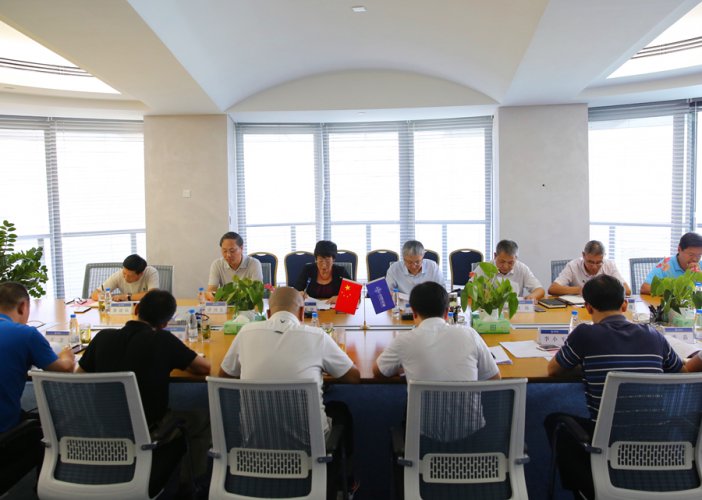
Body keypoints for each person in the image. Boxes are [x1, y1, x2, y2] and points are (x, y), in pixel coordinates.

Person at [545, 275, 683, 499]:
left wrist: (589, 366)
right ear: (625, 305)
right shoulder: (653, 335)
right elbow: (678, 369)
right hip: (658, 440)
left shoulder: (584, 334)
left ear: (588, 307)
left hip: (608, 439)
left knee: (555, 422)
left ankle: (587, 490)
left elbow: (553, 370)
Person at [218, 287, 360, 499]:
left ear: (268, 314)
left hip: (254, 441)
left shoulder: (245, 333)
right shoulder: (317, 337)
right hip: (309, 445)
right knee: (340, 411)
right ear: (302, 313)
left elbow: (224, 376)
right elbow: (354, 377)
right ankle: (342, 483)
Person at [78, 290, 211, 484]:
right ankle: (190, 485)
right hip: (150, 428)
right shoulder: (163, 340)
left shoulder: (102, 337)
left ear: (136, 309)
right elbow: (204, 367)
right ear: (165, 324)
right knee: (202, 418)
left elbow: (79, 376)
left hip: (104, 425)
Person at [0, 282, 75, 483]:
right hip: (4, 432)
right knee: (49, 425)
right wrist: (67, 355)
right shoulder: (26, 334)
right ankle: (44, 486)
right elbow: (64, 369)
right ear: (23, 306)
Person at [548, 240, 631, 296]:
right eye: (590, 262)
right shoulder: (573, 266)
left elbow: (627, 290)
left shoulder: (609, 265)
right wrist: (580, 290)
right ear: (583, 255)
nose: (594, 267)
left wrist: (603, 290)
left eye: (599, 262)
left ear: (604, 256)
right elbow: (552, 289)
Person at [472, 239, 545, 300]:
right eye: (502, 261)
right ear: (495, 256)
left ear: (516, 258)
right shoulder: (484, 267)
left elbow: (540, 290)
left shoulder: (522, 268)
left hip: (514, 310)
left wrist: (532, 297)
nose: (506, 266)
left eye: (510, 262)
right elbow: (470, 289)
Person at [207, 231, 263, 300]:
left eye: (232, 251)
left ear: (241, 248)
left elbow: (257, 292)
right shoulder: (217, 264)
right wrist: (212, 296)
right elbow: (211, 290)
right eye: (224, 251)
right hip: (226, 304)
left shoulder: (254, 264)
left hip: (247, 304)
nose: (228, 255)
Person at [90, 253, 160, 302]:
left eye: (129, 276)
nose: (125, 278)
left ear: (140, 274)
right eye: (124, 273)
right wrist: (108, 297)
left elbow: (153, 295)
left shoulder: (150, 272)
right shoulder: (118, 275)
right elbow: (95, 294)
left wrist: (126, 297)